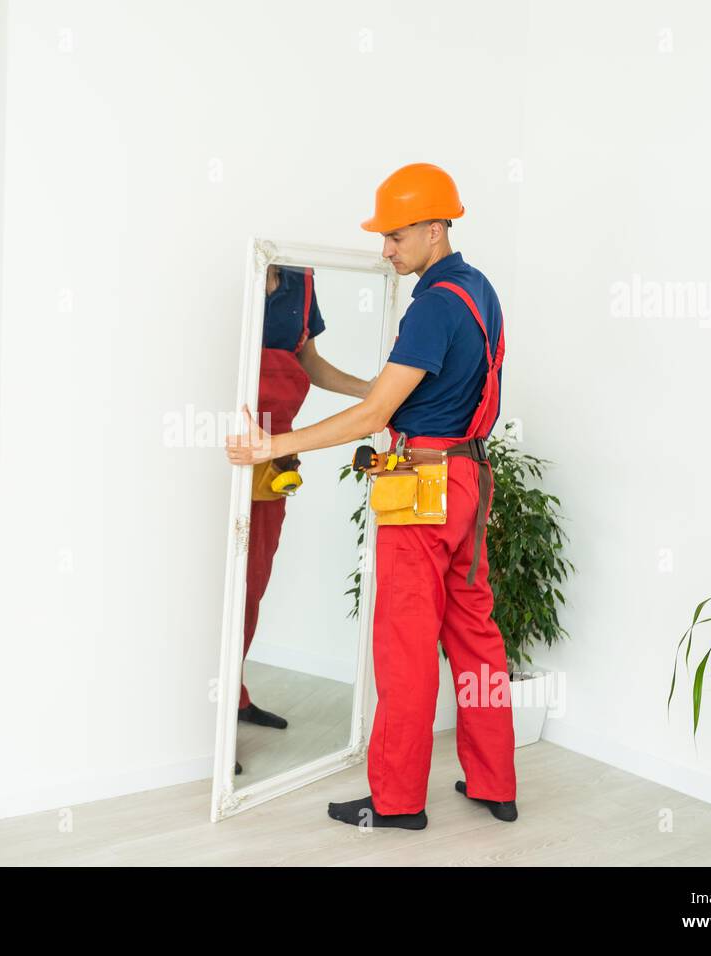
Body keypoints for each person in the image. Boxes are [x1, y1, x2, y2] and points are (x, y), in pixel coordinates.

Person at [225, 163, 517, 825]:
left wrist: (270, 447)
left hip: (420, 486)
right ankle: (496, 784)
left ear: (437, 226)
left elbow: (371, 416)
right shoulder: (481, 291)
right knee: (476, 637)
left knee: (406, 648)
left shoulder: (433, 306)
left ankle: (397, 801)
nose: (386, 249)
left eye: (396, 235)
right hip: (471, 480)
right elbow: (411, 394)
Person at [238, 265, 374, 744]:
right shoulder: (231, 264)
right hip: (224, 447)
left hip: (276, 451)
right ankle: (200, 719)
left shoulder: (302, 280)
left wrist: (369, 390)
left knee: (251, 580)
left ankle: (231, 695)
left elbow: (308, 361)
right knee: (213, 588)